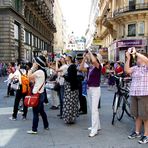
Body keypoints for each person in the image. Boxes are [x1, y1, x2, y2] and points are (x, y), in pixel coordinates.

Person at [125, 48, 148, 144]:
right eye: (137, 58)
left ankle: (146, 135)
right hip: (134, 94)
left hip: (144, 94)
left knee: (145, 116)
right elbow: (127, 70)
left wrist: (136, 53)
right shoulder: (135, 68)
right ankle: (137, 132)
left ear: (143, 58)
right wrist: (128, 58)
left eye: (139, 58)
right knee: (137, 115)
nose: (137, 59)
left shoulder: (146, 67)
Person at [80, 50, 102, 137]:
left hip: (95, 89)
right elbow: (80, 68)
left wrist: (89, 51)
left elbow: (93, 61)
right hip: (89, 89)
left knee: (94, 110)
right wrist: (84, 58)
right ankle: (98, 126)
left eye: (94, 56)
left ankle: (94, 129)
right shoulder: (90, 68)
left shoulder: (98, 66)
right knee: (92, 109)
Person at [27, 55, 49, 134]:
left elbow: (28, 77)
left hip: (37, 95)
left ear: (38, 63)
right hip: (41, 94)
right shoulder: (41, 71)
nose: (34, 63)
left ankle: (34, 129)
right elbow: (32, 80)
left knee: (35, 113)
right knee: (42, 111)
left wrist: (32, 68)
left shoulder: (39, 72)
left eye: (35, 62)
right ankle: (46, 125)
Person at [62, 55, 79, 124]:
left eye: (66, 57)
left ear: (70, 59)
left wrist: (63, 76)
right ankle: (72, 118)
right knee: (72, 103)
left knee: (69, 103)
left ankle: (69, 118)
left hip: (70, 88)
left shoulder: (71, 67)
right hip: (72, 87)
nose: (65, 58)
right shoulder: (72, 66)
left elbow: (70, 78)